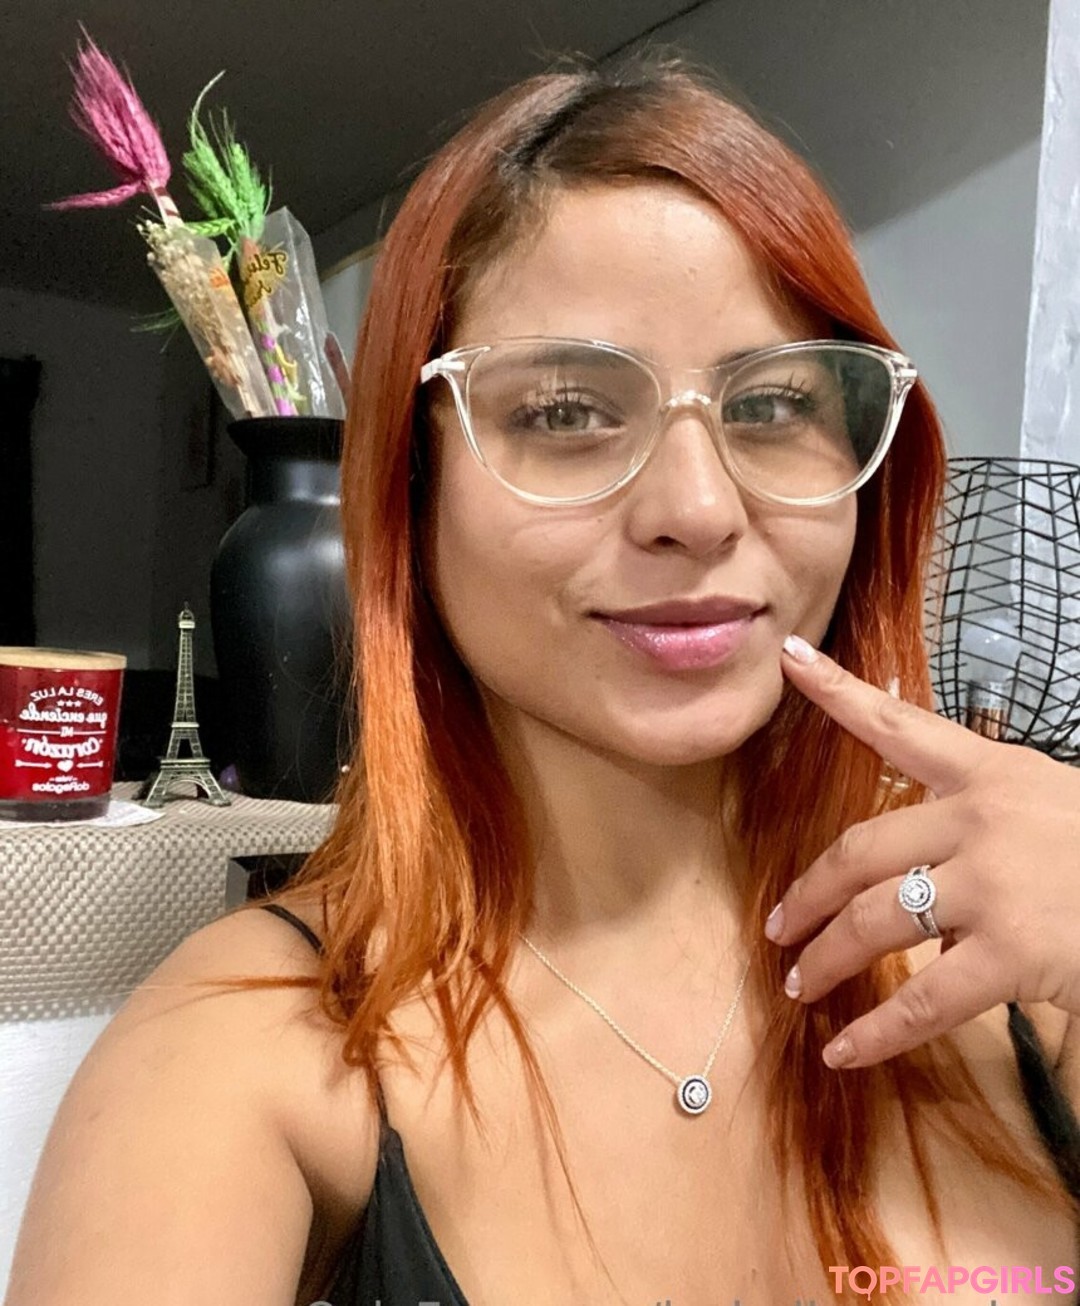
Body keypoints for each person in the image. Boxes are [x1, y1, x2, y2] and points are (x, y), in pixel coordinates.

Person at [7, 56, 1080, 1306]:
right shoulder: (241, 1055)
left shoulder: (1020, 968)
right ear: (412, 492)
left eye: (775, 403)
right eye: (567, 412)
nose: (698, 509)